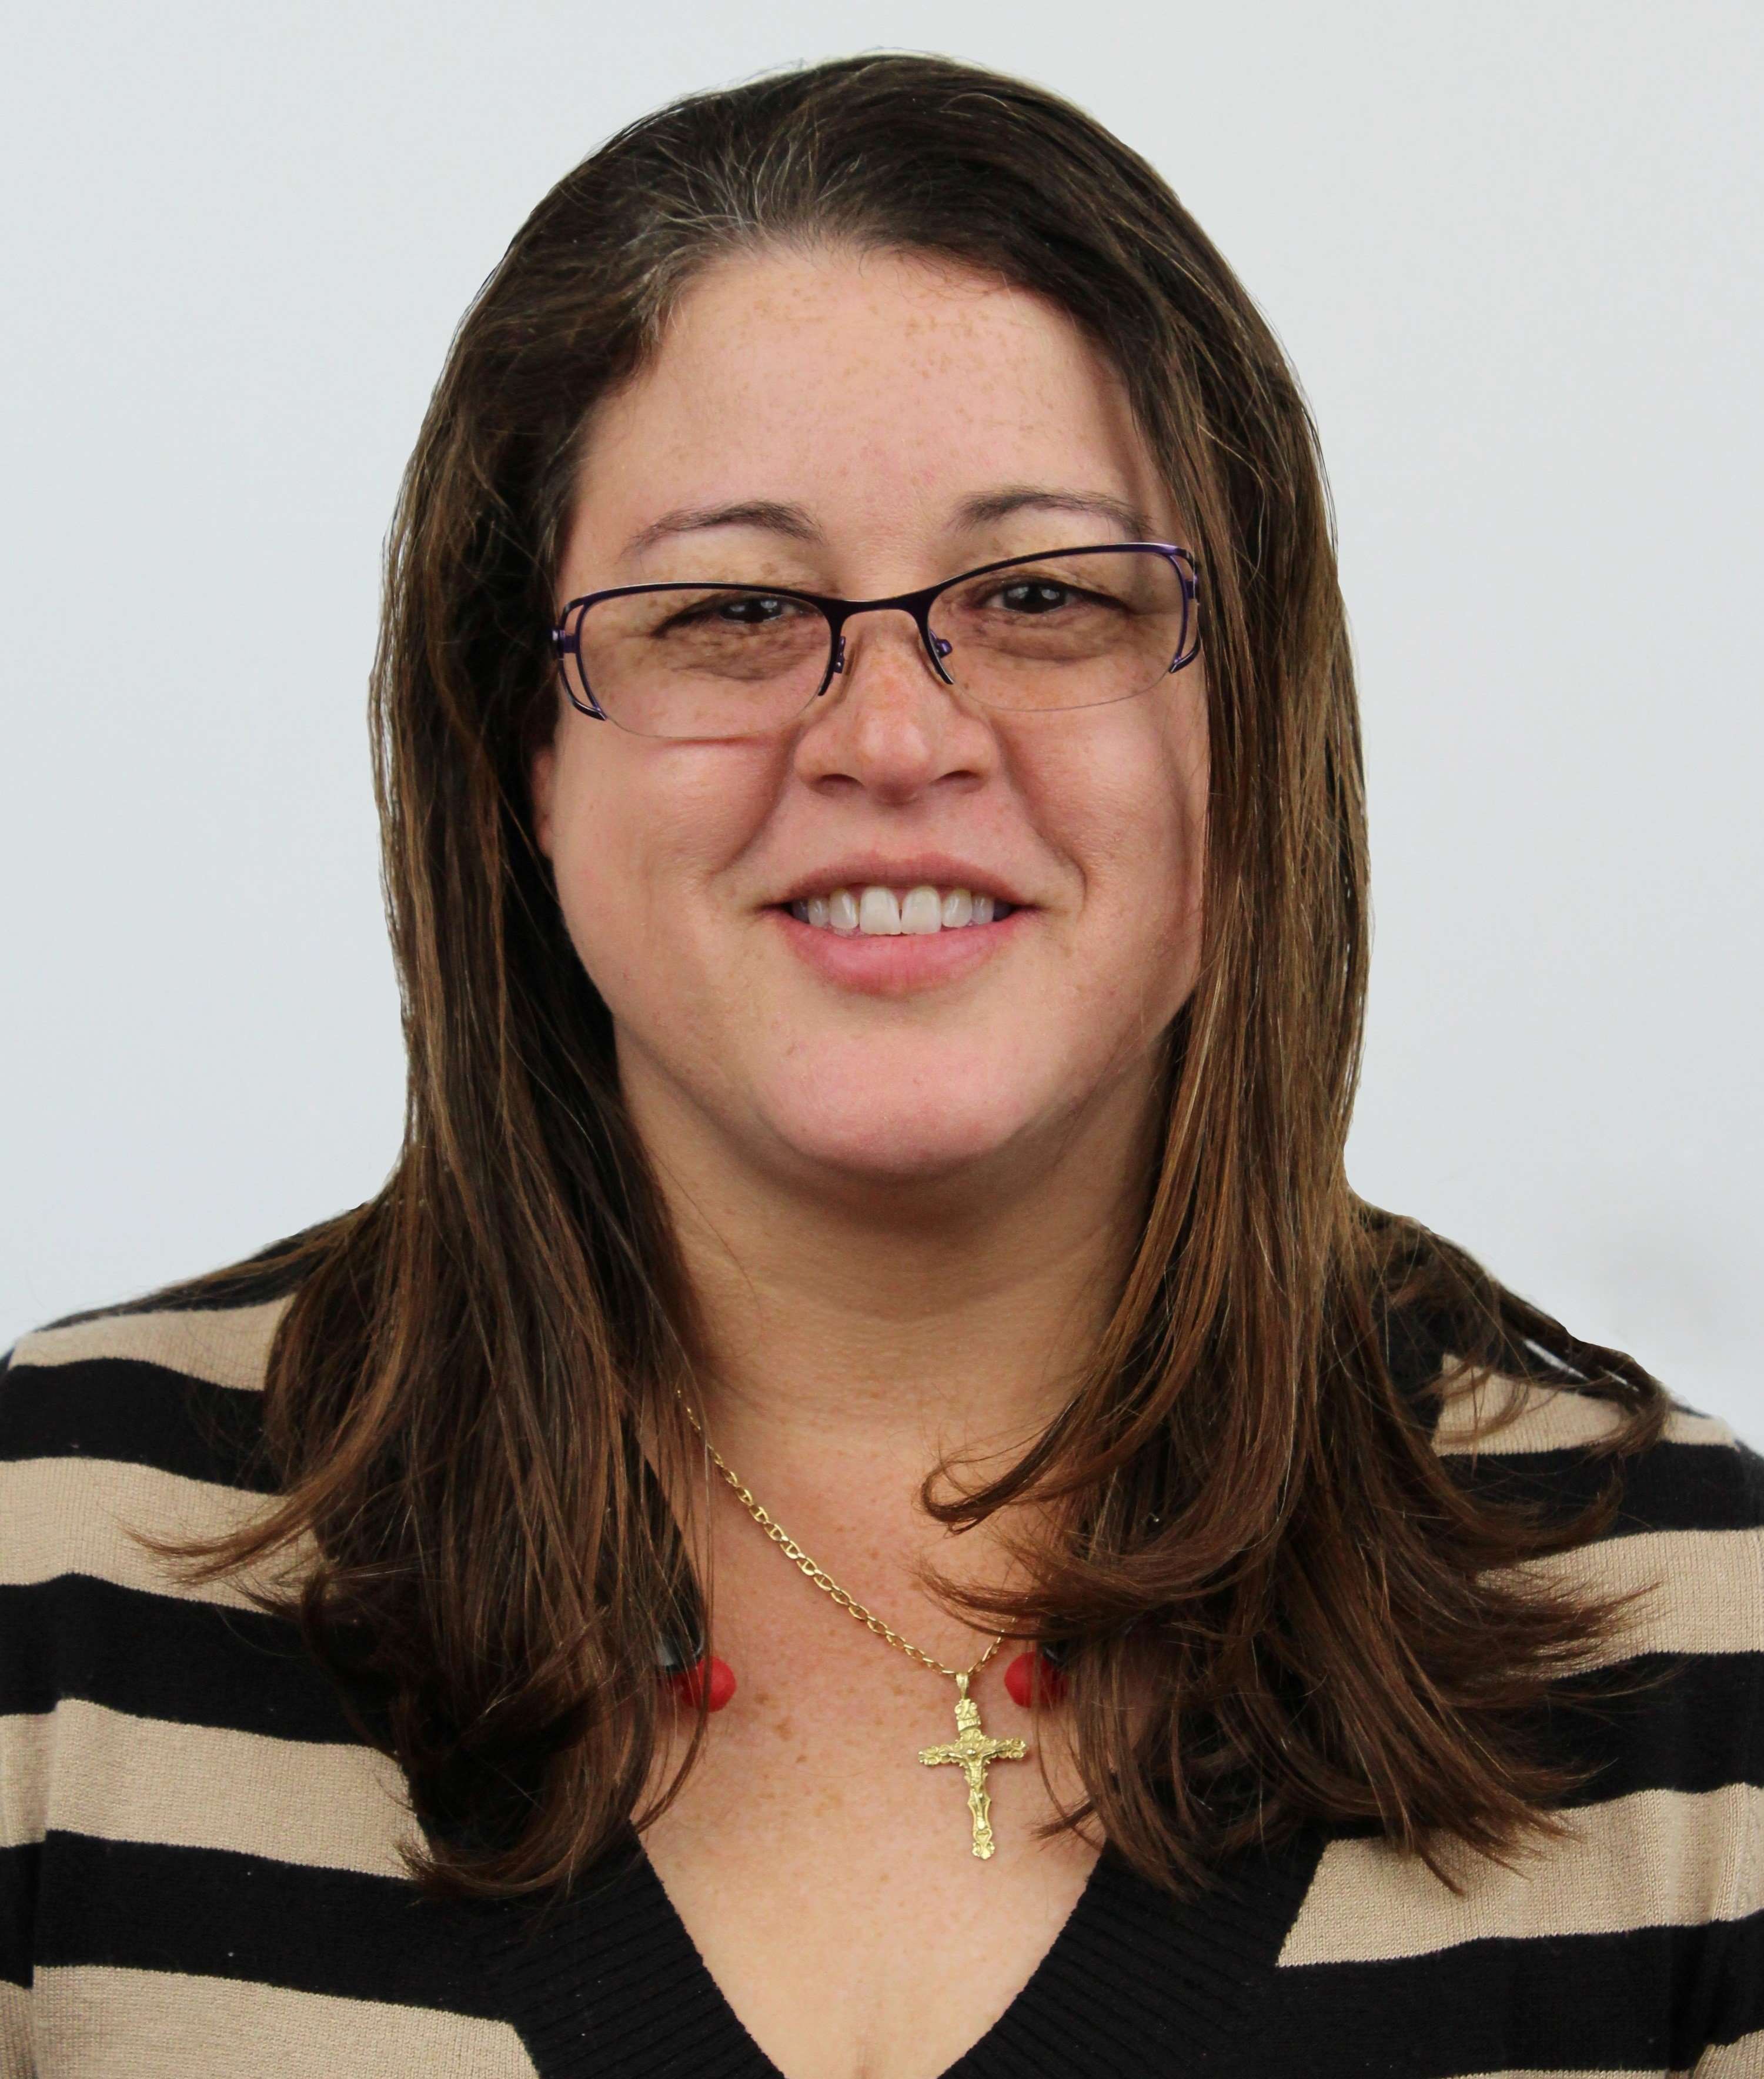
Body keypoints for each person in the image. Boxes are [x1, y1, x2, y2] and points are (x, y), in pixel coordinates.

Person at [2, 51, 1759, 2079]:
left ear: (1253, 740)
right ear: (518, 767)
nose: (895, 738)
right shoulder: (67, 1560)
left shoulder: (1687, 1641)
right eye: (735, 610)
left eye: (1041, 599)